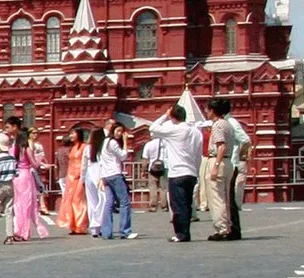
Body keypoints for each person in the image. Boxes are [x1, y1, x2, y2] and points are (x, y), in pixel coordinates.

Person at [146, 105, 202, 243]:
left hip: (177, 173)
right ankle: (185, 232)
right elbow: (198, 154)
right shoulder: (196, 132)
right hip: (191, 172)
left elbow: (153, 128)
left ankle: (181, 234)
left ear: (172, 117)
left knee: (178, 205)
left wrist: (165, 115)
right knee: (187, 204)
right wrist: (196, 170)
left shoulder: (174, 130)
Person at [204, 99, 249, 241]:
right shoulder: (228, 124)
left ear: (213, 110)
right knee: (226, 198)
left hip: (218, 160)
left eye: (208, 109)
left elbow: (221, 146)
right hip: (229, 162)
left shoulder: (218, 125)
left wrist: (215, 166)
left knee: (217, 198)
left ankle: (222, 228)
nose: (206, 112)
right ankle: (228, 227)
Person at [95, 125, 134, 240]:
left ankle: (106, 232)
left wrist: (102, 176)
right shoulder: (112, 142)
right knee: (124, 202)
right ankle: (125, 231)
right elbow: (123, 156)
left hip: (106, 175)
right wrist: (125, 142)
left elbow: (101, 161)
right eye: (118, 131)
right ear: (113, 131)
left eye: (122, 131)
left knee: (109, 203)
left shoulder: (104, 142)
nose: (120, 133)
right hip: (115, 174)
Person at [9, 129, 43, 242]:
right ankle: (24, 231)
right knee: (27, 204)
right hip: (25, 175)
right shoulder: (26, 149)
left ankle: (18, 229)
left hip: (16, 176)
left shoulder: (13, 149)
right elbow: (34, 163)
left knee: (17, 204)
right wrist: (39, 161)